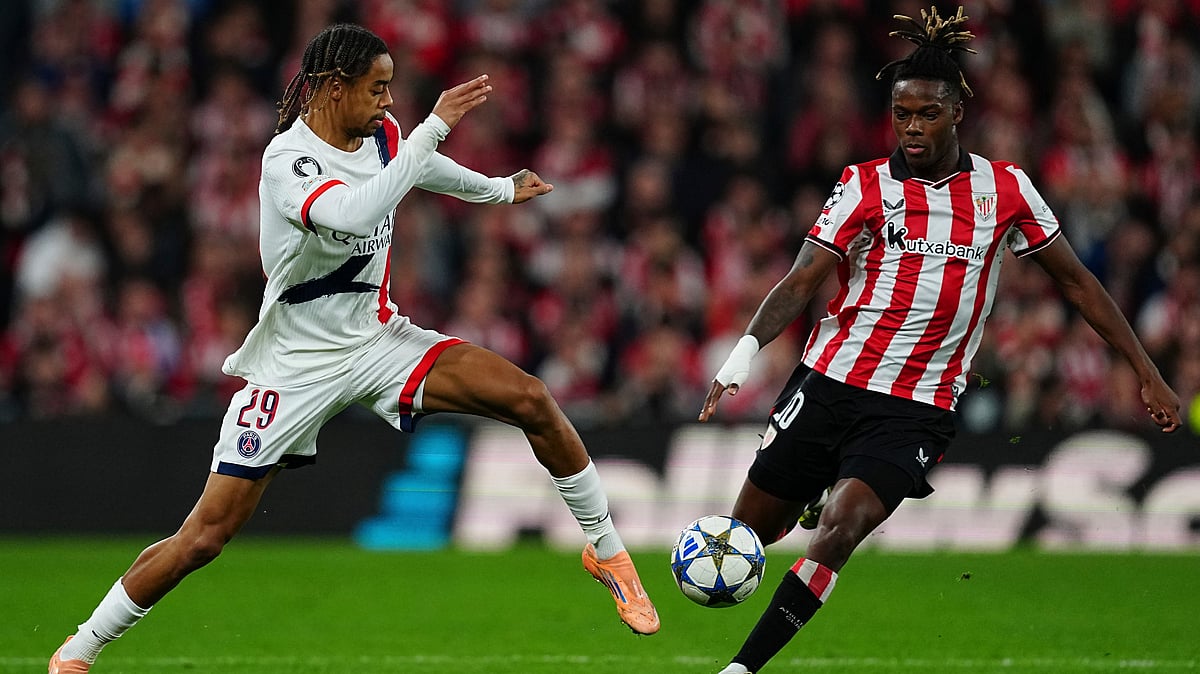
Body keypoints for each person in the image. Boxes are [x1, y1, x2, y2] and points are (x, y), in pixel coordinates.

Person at [49, 22, 659, 673]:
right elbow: (353, 214)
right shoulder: (288, 162)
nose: (389, 103)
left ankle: (605, 549)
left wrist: (500, 189)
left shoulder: (384, 136)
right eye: (377, 88)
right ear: (334, 88)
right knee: (204, 537)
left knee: (531, 398)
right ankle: (79, 651)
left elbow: (423, 168)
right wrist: (434, 128)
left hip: (377, 339)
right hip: (294, 368)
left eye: (392, 89)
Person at [696, 7, 1182, 673]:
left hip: (916, 404)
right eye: (902, 115)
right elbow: (804, 275)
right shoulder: (862, 184)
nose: (912, 128)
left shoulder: (1006, 190)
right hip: (829, 380)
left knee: (842, 526)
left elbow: (1077, 283)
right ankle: (805, 494)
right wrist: (742, 352)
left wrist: (1146, 369)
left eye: (927, 114)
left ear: (957, 113)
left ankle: (741, 669)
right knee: (746, 536)